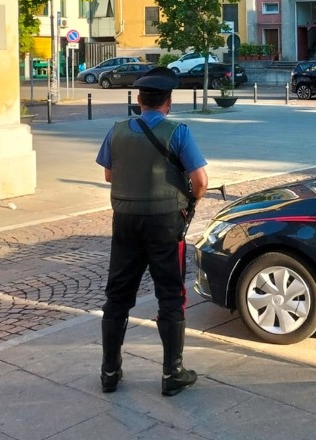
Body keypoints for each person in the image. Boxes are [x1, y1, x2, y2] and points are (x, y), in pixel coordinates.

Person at [95, 66, 209, 397]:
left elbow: (108, 176)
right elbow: (200, 181)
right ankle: (172, 373)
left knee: (117, 296)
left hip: (126, 222)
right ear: (168, 103)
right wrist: (189, 202)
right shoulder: (178, 132)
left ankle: (109, 371)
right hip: (165, 223)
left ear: (139, 101)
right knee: (171, 294)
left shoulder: (116, 131)